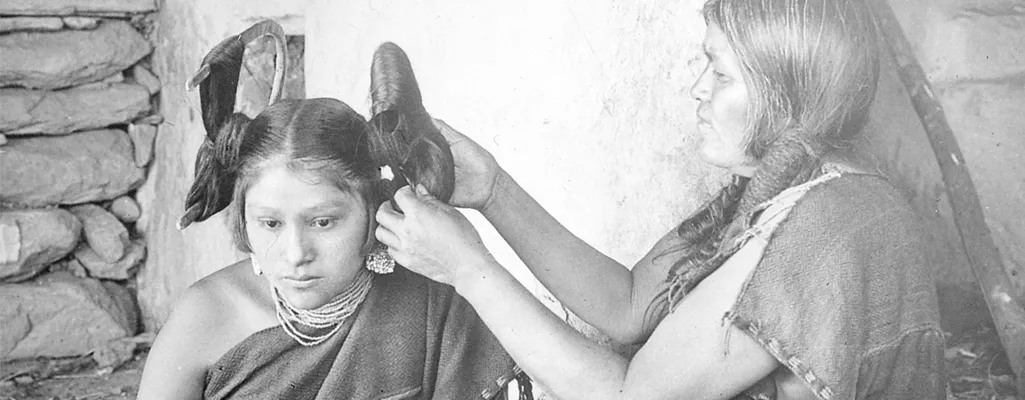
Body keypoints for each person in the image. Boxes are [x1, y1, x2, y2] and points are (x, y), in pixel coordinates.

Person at [374, 0, 946, 399]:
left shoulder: (830, 227)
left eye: (720, 73)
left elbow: (631, 396)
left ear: (785, 92)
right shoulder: (791, 185)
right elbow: (629, 304)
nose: (698, 87)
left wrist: (469, 269)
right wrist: (493, 189)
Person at [137, 22, 526, 400]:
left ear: (373, 210)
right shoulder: (205, 314)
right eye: (270, 223)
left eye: (323, 222)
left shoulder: (434, 303)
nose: (295, 253)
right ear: (243, 218)